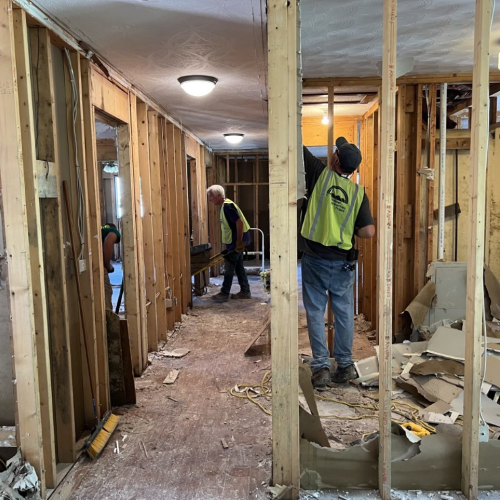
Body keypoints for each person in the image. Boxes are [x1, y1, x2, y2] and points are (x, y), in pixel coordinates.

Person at [300, 137, 375, 390]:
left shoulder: (320, 175)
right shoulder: (357, 193)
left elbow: (297, 146)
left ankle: (320, 366)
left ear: (334, 160)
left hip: (315, 260)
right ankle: (344, 366)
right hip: (343, 264)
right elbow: (368, 232)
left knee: (314, 311)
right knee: (343, 314)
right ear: (353, 168)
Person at [207, 185, 252, 302]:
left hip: (236, 242)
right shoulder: (226, 205)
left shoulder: (227, 206)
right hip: (236, 241)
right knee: (239, 267)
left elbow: (239, 223)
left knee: (229, 268)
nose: (210, 199)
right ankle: (245, 291)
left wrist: (238, 243)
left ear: (218, 196)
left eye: (211, 197)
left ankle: (224, 293)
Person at [102, 223, 121, 311]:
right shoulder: (114, 232)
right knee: (106, 292)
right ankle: (108, 322)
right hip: (98, 266)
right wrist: (107, 265)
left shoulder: (101, 231)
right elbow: (109, 241)